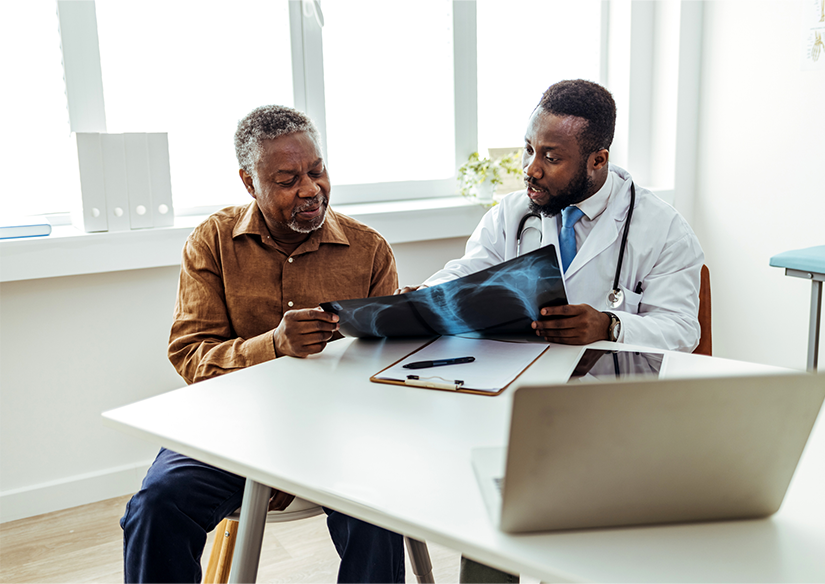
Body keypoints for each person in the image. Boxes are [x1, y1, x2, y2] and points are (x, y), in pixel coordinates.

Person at [120, 105, 405, 583]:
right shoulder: (212, 241)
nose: (312, 189)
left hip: (339, 432)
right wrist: (273, 344)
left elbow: (387, 363)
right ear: (250, 183)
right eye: (288, 179)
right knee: (156, 506)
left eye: (317, 171)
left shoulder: (369, 249)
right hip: (227, 429)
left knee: (378, 511)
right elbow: (191, 355)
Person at [402, 79, 704, 353]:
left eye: (551, 158)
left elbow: (681, 328)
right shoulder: (512, 213)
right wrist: (428, 293)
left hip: (609, 392)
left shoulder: (664, 229)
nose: (530, 169)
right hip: (520, 377)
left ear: (598, 160)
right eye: (528, 149)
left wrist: (609, 325)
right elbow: (469, 273)